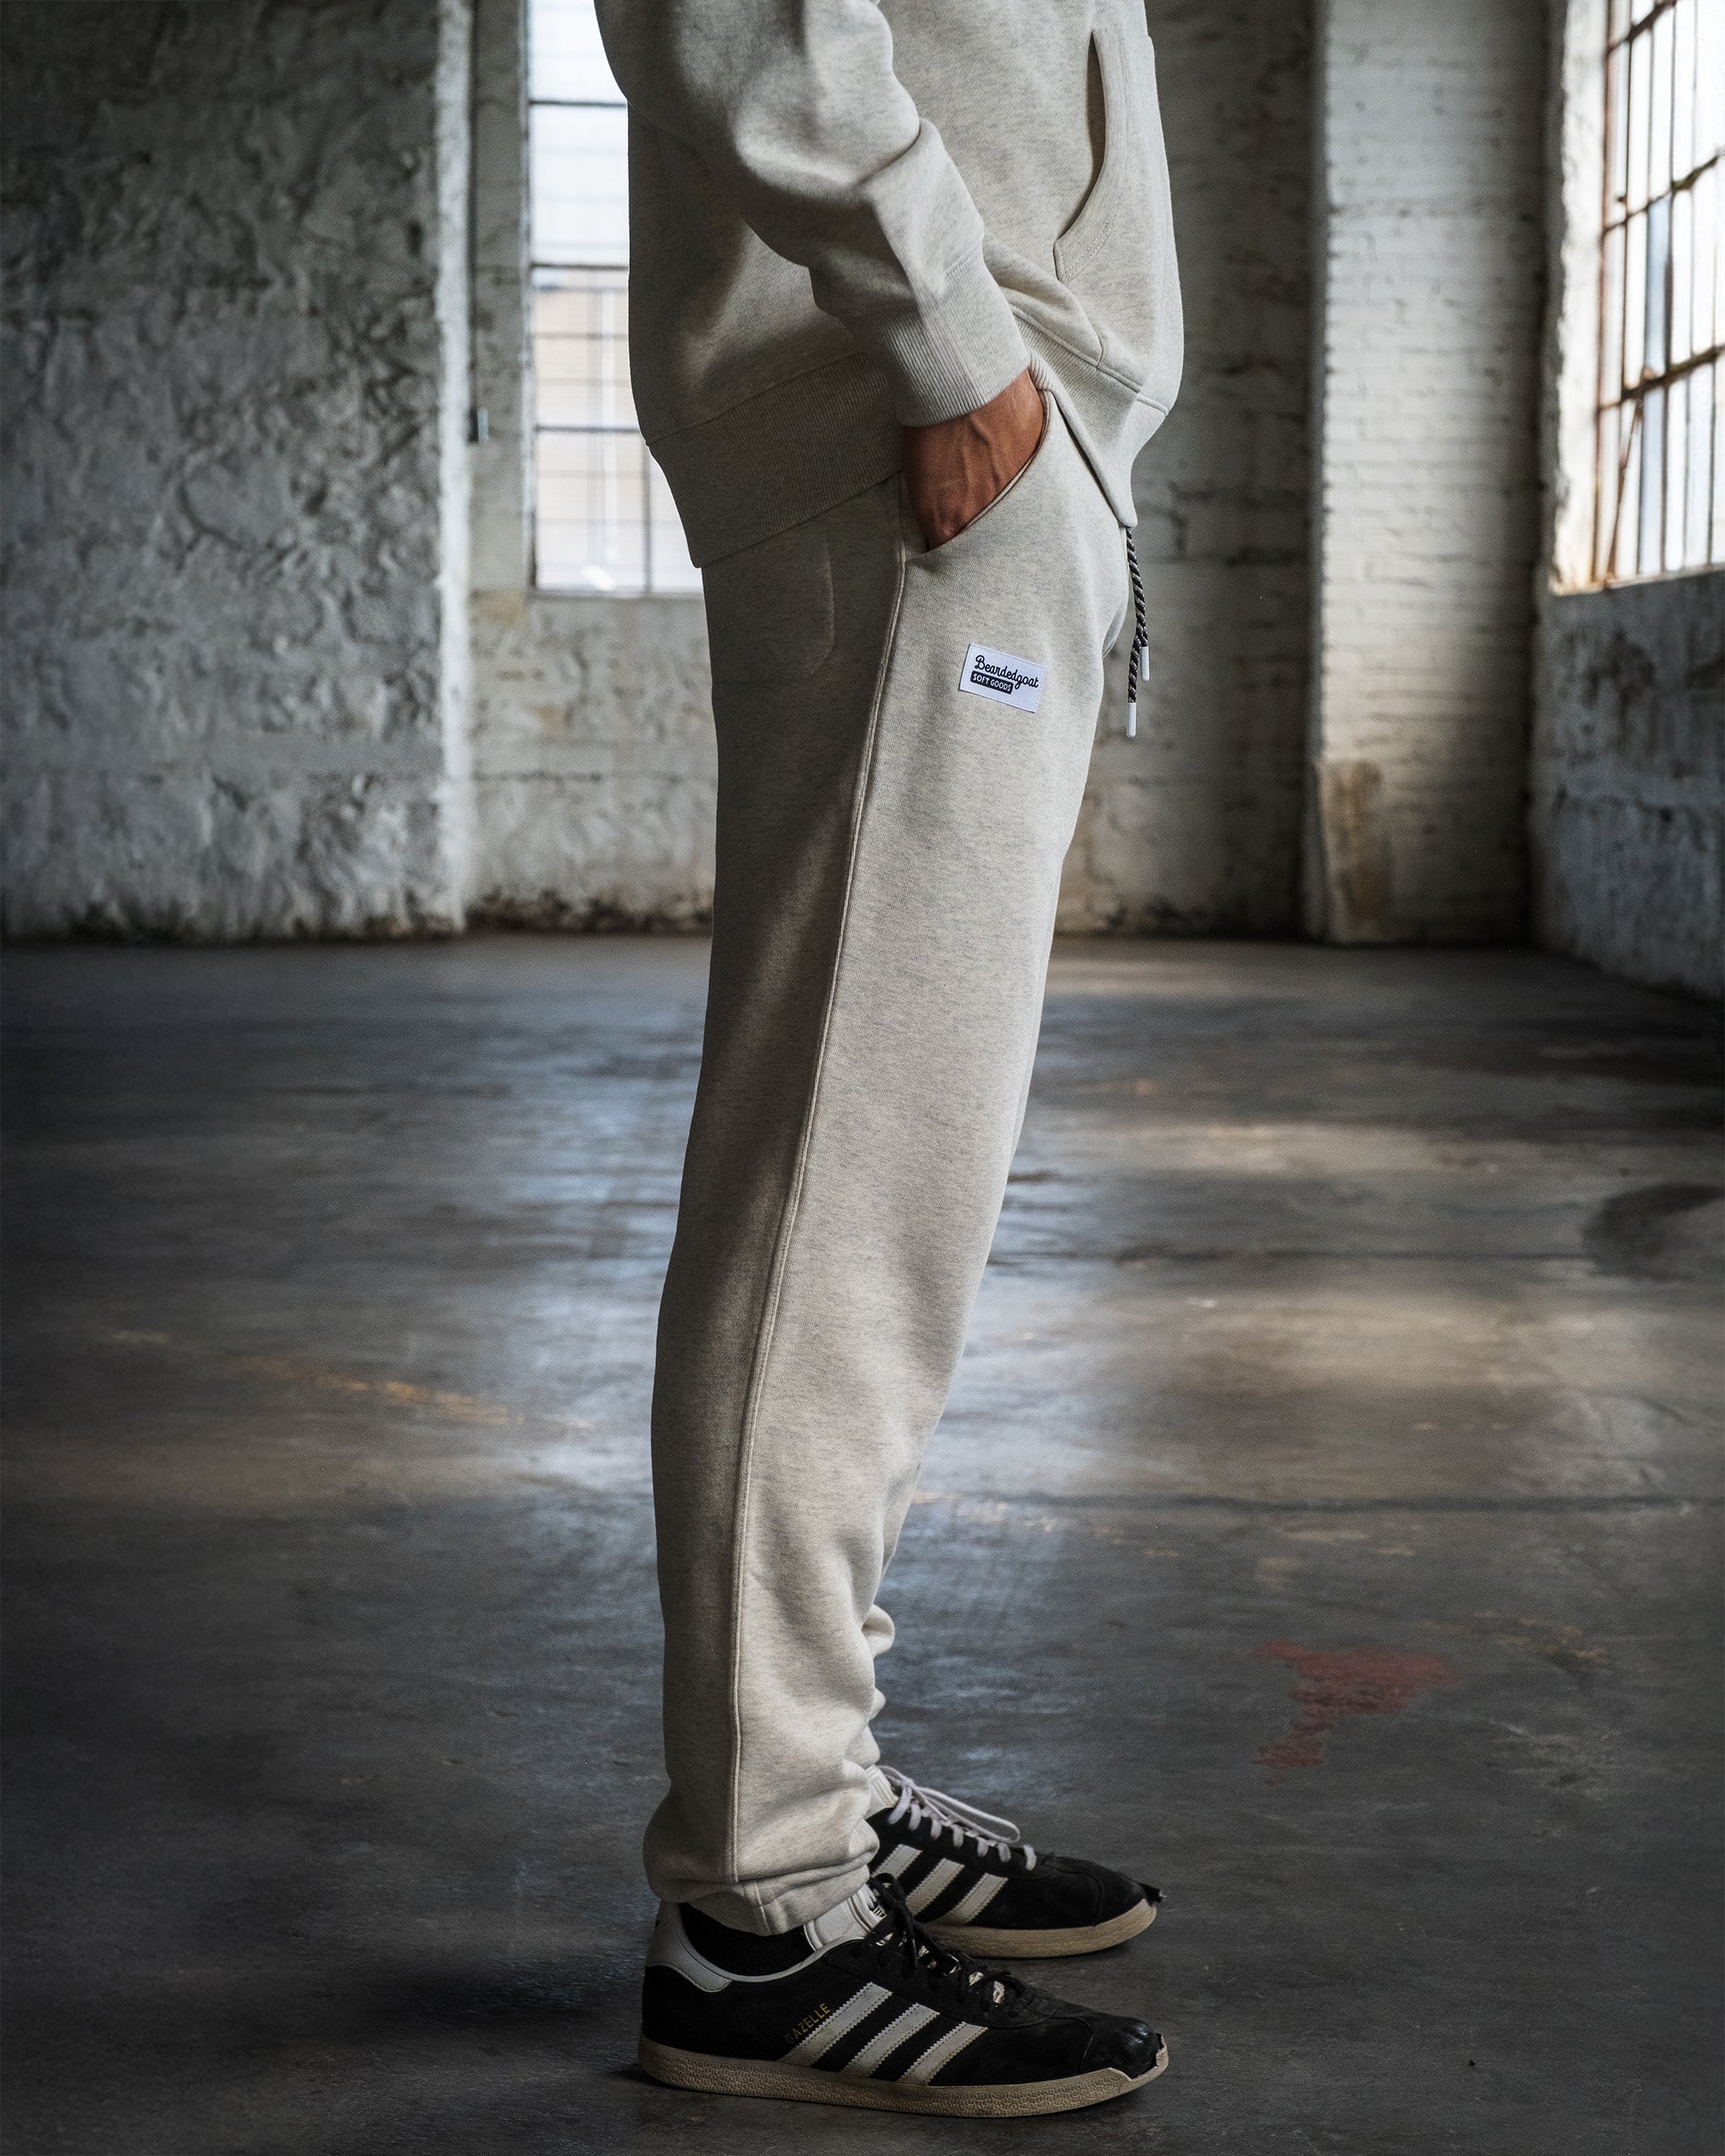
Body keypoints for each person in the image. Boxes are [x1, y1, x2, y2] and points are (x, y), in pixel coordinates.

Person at [593, 0, 1183, 2117]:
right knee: (838, 1195)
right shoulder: (931, 382)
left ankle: (804, 1775)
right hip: (913, 426)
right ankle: (761, 1910)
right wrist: (955, 348)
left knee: (891, 1191)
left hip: (977, 436)